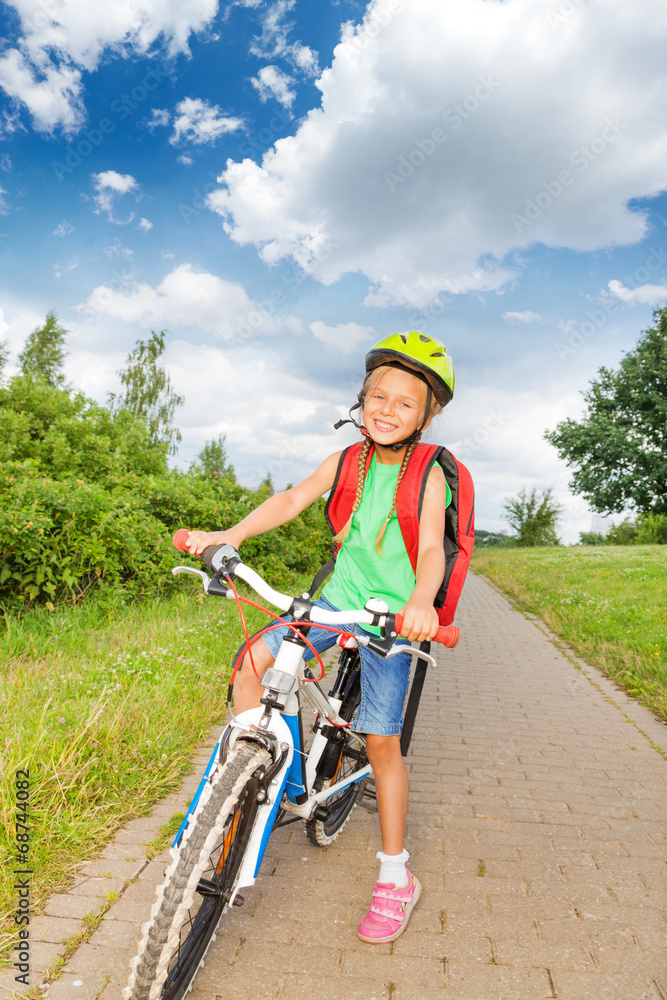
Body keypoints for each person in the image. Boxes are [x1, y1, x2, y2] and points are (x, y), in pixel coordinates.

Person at [184, 331, 454, 944]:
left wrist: (419, 602)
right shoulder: (348, 461)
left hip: (389, 618)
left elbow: (433, 550)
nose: (386, 410)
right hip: (337, 602)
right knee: (252, 662)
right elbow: (292, 498)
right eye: (376, 396)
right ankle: (249, 781)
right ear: (360, 399)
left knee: (382, 742)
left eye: (404, 403)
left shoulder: (428, 471)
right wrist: (231, 534)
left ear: (428, 414)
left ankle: (395, 875)